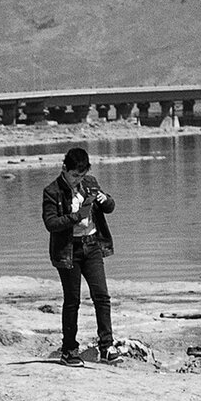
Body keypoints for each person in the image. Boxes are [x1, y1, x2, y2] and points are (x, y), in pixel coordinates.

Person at [40, 147, 119, 363]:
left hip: (92, 246)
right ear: (64, 169)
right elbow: (51, 223)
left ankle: (106, 347)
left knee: (101, 296)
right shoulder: (52, 191)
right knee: (72, 300)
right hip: (68, 251)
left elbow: (110, 208)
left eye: (81, 176)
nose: (78, 180)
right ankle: (69, 351)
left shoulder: (91, 183)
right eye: (75, 175)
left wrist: (105, 200)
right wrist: (76, 217)